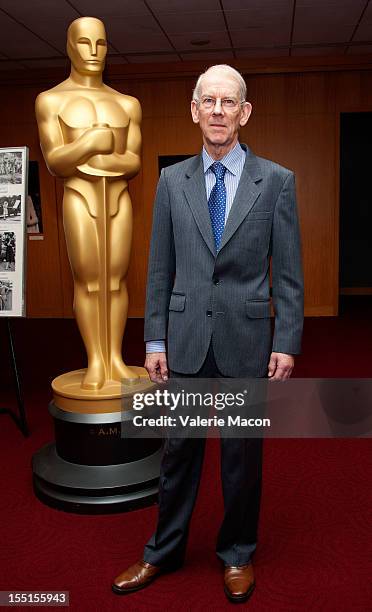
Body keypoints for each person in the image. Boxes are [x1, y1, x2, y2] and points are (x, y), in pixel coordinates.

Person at [112, 64, 304, 603]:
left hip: (247, 341)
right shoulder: (172, 183)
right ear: (195, 111)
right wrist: (154, 341)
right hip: (187, 340)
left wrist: (286, 341)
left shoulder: (278, 181)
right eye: (208, 102)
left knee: (242, 460)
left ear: (244, 113)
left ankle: (238, 552)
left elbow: (287, 273)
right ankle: (162, 552)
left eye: (229, 102)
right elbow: (158, 269)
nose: (218, 111)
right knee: (178, 456)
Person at [35, 16, 142, 391]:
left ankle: (115, 357)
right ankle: (95, 360)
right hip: (80, 197)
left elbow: (133, 161)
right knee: (89, 281)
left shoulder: (126, 104)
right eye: (84, 43)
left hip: (117, 198)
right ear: (68, 46)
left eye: (100, 43)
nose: (93, 52)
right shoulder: (50, 100)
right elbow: (55, 161)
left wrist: (94, 158)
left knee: (115, 281)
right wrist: (89, 145)